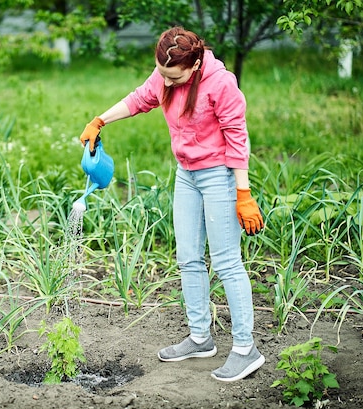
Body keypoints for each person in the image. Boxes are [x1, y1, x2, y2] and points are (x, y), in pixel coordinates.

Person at [79, 27, 265, 382]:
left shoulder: (221, 84)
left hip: (218, 176)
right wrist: (100, 119)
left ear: (194, 66)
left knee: (226, 262)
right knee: (188, 257)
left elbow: (238, 139)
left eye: (171, 76)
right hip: (187, 175)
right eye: (161, 73)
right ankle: (200, 337)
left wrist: (244, 194)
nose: (163, 80)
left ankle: (245, 349)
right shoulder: (165, 73)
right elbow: (139, 99)